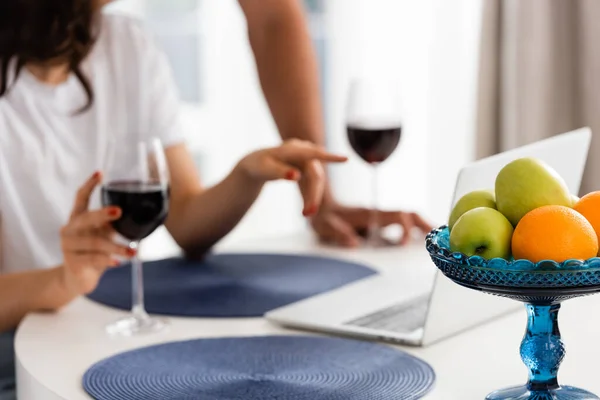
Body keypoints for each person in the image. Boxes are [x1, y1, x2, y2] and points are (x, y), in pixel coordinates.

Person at [0, 0, 430, 397]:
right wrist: (60, 281)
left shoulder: (127, 45)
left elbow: (187, 221)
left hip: (93, 335)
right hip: (19, 355)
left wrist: (247, 175)